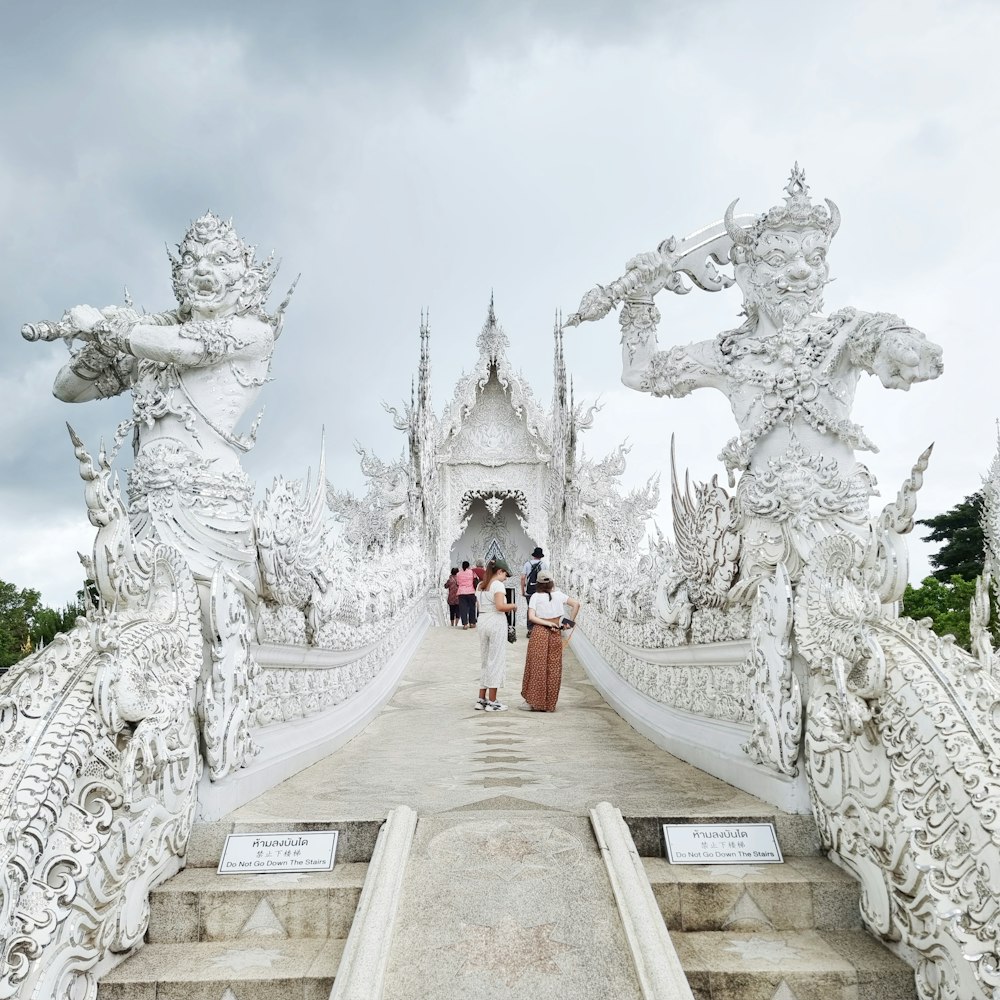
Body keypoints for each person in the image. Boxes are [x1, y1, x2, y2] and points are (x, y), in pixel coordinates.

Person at [40, 212, 284, 604]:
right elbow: (68, 389)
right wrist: (102, 341)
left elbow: (188, 348)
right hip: (141, 511)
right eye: (192, 260)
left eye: (220, 260)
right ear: (179, 277)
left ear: (247, 279)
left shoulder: (253, 332)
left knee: (212, 622)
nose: (203, 269)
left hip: (211, 505)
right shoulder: (148, 349)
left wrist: (108, 329)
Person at [522, 571, 581, 712]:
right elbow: (576, 604)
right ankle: (549, 704)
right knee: (553, 668)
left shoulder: (535, 596)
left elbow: (532, 617)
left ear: (538, 584)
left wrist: (546, 624)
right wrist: (569, 623)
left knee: (536, 666)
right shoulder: (559, 595)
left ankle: (534, 702)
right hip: (555, 633)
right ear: (551, 583)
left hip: (540, 632)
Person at [474, 560, 517, 711]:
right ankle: (493, 701)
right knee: (496, 660)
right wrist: (513, 606)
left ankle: (481, 699)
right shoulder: (497, 585)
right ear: (499, 571)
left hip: (483, 619)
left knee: (485, 659)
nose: (506, 578)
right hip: (495, 621)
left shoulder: (480, 585)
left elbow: (479, 606)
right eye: (505, 574)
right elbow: (500, 606)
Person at [520, 546, 547, 636]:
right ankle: (539, 629)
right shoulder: (544, 565)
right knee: (540, 609)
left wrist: (523, 590)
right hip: (540, 590)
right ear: (540, 556)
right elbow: (546, 578)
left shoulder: (527, 564)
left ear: (534, 555)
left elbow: (523, 578)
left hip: (530, 590)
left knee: (530, 608)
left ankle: (530, 629)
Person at [456, 561, 477, 629]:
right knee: (472, 608)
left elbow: (458, 583)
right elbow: (475, 580)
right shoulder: (472, 572)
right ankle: (472, 623)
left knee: (463, 609)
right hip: (471, 592)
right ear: (468, 566)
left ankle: (465, 624)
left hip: (461, 593)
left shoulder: (458, 574)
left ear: (462, 566)